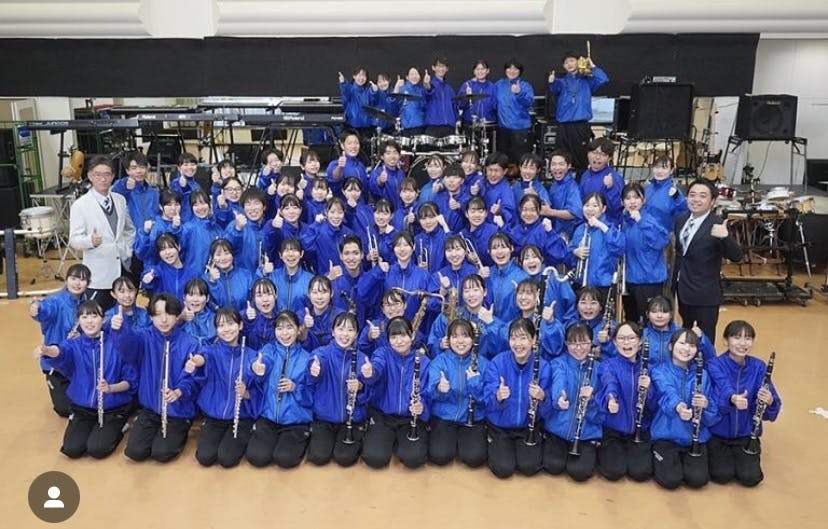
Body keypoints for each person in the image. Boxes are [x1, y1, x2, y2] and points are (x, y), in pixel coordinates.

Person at [34, 300, 136, 459]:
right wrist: (46, 350)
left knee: (97, 449)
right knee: (72, 449)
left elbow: (130, 381)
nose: (89, 321)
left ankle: (119, 425)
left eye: (94, 316)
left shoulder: (116, 344)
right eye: (84, 317)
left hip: (112, 408)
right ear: (78, 321)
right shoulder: (74, 344)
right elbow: (60, 352)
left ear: (103, 319)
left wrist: (110, 388)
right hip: (83, 408)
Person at [114, 293, 203, 463]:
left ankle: (183, 427)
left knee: (161, 453)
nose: (163, 319)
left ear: (177, 315)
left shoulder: (190, 343)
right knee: (134, 452)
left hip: (178, 411)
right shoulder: (143, 337)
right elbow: (127, 347)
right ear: (151, 316)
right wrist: (120, 330)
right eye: (158, 314)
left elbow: (193, 379)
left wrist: (178, 392)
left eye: (169, 313)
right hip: (150, 409)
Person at [707, 320, 781, 487]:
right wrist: (732, 398)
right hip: (718, 434)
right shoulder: (714, 365)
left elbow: (770, 412)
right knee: (721, 476)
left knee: (750, 478)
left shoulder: (759, 367)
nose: (742, 343)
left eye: (747, 338)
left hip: (745, 434)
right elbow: (720, 392)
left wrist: (770, 401)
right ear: (725, 341)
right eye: (736, 337)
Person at [673, 179, 743, 341]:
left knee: (704, 339)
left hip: (705, 294)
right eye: (692, 195)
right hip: (683, 290)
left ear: (712, 201)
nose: (696, 199)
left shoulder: (717, 224)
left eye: (702, 196)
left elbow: (737, 256)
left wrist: (725, 237)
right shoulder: (681, 221)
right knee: (686, 335)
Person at [650, 328, 718, 489]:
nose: (686, 349)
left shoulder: (703, 375)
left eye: (692, 345)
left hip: (695, 437)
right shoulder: (659, 371)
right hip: (666, 435)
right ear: (671, 346)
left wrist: (706, 405)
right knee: (671, 480)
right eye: (682, 343)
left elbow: (713, 413)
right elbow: (666, 391)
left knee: (698, 480)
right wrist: (679, 407)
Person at [189, 307, 258, 468]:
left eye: (231, 324)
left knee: (227, 459)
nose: (226, 329)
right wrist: (196, 361)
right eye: (221, 325)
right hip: (214, 415)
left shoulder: (251, 355)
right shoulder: (211, 351)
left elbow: (257, 390)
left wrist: (246, 393)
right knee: (204, 457)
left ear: (240, 325)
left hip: (241, 417)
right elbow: (202, 357)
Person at [483, 318, 550, 478]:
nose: (518, 344)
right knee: (503, 469)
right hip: (500, 426)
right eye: (513, 338)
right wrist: (498, 396)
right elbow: (487, 402)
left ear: (533, 339)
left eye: (523, 338)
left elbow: (548, 411)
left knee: (529, 467)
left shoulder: (543, 366)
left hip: (527, 427)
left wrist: (543, 397)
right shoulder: (498, 363)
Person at [246, 310, 314, 468]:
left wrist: (295, 387)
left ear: (299, 330)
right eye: (280, 328)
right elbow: (261, 363)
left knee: (285, 459)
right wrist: (256, 368)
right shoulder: (268, 350)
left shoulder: (307, 358)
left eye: (289, 327)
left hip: (296, 420)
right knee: (257, 457)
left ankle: (302, 438)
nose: (284, 333)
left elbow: (312, 396)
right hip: (268, 417)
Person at [362, 317, 432, 469]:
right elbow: (376, 369)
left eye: (403, 335)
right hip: (383, 416)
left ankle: (397, 442)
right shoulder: (382, 353)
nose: (399, 341)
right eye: (393, 337)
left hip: (410, 417)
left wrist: (422, 407)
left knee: (414, 459)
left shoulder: (424, 361)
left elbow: (427, 393)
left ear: (412, 336)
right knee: (375, 458)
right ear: (388, 339)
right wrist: (370, 372)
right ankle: (388, 439)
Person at [68, 155, 136, 312]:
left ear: (113, 176)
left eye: (107, 174)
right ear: (90, 176)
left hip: (122, 270)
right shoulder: (80, 205)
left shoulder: (120, 200)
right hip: (98, 275)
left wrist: (127, 248)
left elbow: (129, 229)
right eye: (97, 175)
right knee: (97, 315)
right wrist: (89, 241)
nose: (103, 179)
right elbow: (74, 239)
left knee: (123, 316)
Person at [306, 312, 371, 467]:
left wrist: (361, 387)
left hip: (352, 419)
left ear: (356, 334)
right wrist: (314, 370)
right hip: (324, 417)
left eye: (350, 330)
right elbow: (312, 374)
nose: (345, 334)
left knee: (344, 458)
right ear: (333, 332)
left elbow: (369, 394)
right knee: (318, 457)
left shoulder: (363, 359)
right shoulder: (321, 353)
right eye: (340, 329)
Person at [543, 322, 603, 482]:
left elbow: (601, 412)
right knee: (553, 466)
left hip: (587, 432)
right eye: (573, 343)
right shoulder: (558, 363)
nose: (578, 348)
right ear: (566, 344)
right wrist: (559, 398)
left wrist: (591, 401)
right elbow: (559, 379)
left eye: (584, 343)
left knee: (580, 472)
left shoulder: (600, 369)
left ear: (592, 343)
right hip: (558, 430)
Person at [29, 263, 91, 417]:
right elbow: (45, 310)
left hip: (77, 363)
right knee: (64, 408)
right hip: (56, 366)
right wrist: (37, 309)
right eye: (73, 278)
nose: (77, 283)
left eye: (82, 279)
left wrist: (82, 336)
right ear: (66, 279)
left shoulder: (88, 303)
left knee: (90, 402)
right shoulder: (55, 300)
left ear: (88, 283)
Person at [596, 322, 654, 481]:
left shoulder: (648, 368)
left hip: (641, 429)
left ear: (640, 341)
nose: (626, 343)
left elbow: (655, 404)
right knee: (613, 472)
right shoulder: (608, 365)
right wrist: (611, 399)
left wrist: (648, 389)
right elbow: (609, 382)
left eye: (631, 338)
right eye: (621, 338)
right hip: (613, 429)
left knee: (641, 473)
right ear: (614, 342)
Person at [426, 318, 489, 467]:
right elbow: (430, 393)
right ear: (448, 340)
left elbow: (487, 400)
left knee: (475, 458)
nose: (460, 341)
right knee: (439, 456)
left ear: (473, 339)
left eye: (465, 336)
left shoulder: (483, 363)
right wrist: (439, 389)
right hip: (444, 416)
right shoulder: (439, 362)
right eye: (455, 336)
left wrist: (475, 384)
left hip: (473, 418)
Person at [548, 50, 609, 174]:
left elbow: (603, 79)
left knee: (581, 157)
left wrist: (593, 66)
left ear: (578, 61)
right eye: (566, 63)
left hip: (580, 125)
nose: (569, 64)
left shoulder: (588, 81)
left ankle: (581, 182)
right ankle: (562, 181)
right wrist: (551, 81)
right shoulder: (561, 82)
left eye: (572, 61)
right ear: (563, 66)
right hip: (564, 126)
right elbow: (554, 89)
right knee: (561, 157)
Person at [620, 183, 670, 325]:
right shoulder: (625, 222)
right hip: (630, 280)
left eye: (636, 197)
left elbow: (661, 242)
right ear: (622, 202)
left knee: (648, 323)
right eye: (628, 198)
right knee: (632, 323)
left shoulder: (650, 219)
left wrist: (641, 221)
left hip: (649, 281)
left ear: (643, 200)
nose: (632, 201)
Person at [494, 58, 535, 164]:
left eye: (515, 69)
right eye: (509, 68)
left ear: (520, 71)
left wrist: (519, 93)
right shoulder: (499, 85)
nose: (512, 71)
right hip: (503, 128)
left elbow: (529, 103)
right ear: (505, 70)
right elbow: (492, 102)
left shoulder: (525, 86)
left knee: (520, 159)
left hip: (520, 129)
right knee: (503, 160)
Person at [578, 137, 624, 226]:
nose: (597, 157)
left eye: (603, 154)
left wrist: (610, 189)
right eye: (594, 152)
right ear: (588, 154)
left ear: (609, 158)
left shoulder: (614, 177)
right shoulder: (585, 175)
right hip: (588, 224)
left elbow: (618, 207)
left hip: (607, 226)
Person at [545, 150, 583, 242]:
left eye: (561, 164)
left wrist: (550, 212)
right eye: (553, 164)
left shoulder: (572, 187)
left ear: (568, 165)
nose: (557, 167)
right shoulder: (555, 184)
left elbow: (574, 213)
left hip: (568, 233)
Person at [423, 56, 458, 138]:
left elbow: (455, 107)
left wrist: (456, 120)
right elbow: (428, 91)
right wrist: (426, 84)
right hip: (433, 126)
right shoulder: (431, 84)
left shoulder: (450, 89)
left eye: (443, 66)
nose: (441, 69)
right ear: (433, 67)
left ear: (447, 69)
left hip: (449, 127)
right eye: (438, 66)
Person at [457, 59, 497, 127]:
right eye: (477, 69)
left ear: (488, 71)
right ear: (474, 72)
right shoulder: (467, 85)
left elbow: (496, 107)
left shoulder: (493, 87)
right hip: (469, 124)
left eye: (483, 69)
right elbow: (459, 105)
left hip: (488, 125)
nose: (480, 71)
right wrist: (466, 96)